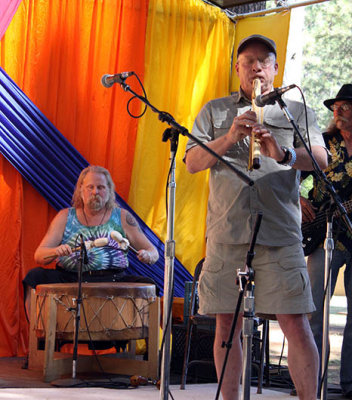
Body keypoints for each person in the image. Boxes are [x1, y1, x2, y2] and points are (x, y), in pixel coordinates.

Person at [184, 34, 328, 400]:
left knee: (295, 323)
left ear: (276, 70)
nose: (256, 67)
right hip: (227, 233)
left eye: (264, 61)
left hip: (280, 233)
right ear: (237, 68)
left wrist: (283, 153)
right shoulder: (214, 111)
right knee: (226, 325)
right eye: (248, 61)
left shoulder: (297, 111)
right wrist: (230, 135)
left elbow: (322, 160)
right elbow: (192, 163)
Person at [23, 165, 159, 315]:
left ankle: (140, 334)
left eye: (100, 187)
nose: (95, 192)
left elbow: (154, 251)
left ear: (109, 191)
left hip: (112, 279)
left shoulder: (122, 217)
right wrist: (56, 251)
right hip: (70, 278)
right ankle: (38, 333)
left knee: (148, 285)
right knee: (34, 276)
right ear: (81, 190)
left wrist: (148, 255)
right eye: (90, 187)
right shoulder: (64, 216)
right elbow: (39, 255)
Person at [300, 84, 352, 398]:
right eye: (336, 108)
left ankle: (349, 385)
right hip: (322, 236)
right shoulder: (322, 142)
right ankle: (312, 381)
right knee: (315, 312)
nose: (338, 112)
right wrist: (297, 199)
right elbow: (288, 174)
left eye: (345, 107)